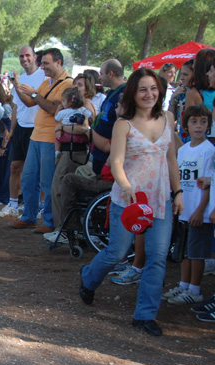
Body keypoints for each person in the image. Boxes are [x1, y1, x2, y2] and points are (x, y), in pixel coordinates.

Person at [79, 68, 183, 337]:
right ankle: (89, 278)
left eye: (153, 89)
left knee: (157, 258)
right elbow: (115, 161)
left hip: (159, 200)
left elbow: (171, 159)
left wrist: (178, 192)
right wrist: (125, 186)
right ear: (134, 94)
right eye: (143, 90)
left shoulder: (168, 118)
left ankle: (145, 315)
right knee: (116, 252)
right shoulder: (123, 124)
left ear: (160, 91)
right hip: (128, 200)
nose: (149, 94)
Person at [11, 48, 73, 231]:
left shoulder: (67, 84)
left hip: (51, 138)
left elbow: (55, 110)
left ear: (58, 63)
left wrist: (34, 94)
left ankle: (49, 221)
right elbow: (30, 102)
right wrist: (17, 86)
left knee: (47, 181)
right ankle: (29, 216)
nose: (42, 66)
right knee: (29, 178)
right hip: (36, 135)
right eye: (42, 63)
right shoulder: (47, 82)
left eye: (46, 63)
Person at [162, 105, 214, 306]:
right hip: (184, 210)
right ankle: (184, 286)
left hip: (198, 212)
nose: (198, 126)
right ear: (186, 125)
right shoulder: (182, 150)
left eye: (203, 122)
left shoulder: (209, 151)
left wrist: (201, 210)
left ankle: (195, 289)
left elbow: (210, 182)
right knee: (184, 251)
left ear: (209, 125)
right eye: (194, 122)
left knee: (197, 253)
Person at [0, 46, 45, 218]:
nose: (24, 59)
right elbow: (16, 106)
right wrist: (11, 129)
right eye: (21, 56)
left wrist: (16, 84)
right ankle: (12, 204)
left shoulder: (43, 76)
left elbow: (33, 102)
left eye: (27, 55)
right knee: (15, 166)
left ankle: (39, 207)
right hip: (21, 128)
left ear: (34, 57)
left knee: (37, 170)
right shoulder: (21, 78)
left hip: (37, 128)